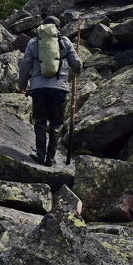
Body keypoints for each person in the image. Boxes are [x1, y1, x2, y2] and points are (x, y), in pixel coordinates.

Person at [18, 16, 83, 166]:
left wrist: (22, 85)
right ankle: (51, 158)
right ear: (58, 28)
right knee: (56, 124)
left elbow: (25, 65)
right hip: (59, 89)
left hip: (38, 89)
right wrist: (77, 69)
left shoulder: (34, 42)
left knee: (40, 121)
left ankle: (40, 155)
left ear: (42, 27)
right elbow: (76, 64)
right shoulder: (65, 41)